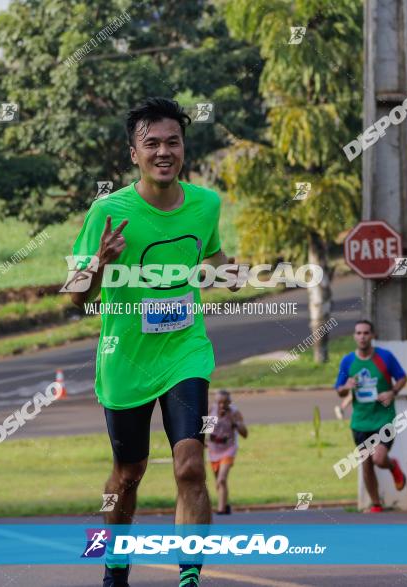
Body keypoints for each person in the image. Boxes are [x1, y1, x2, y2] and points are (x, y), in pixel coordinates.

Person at [68, 97, 240, 587]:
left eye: (172, 142)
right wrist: (100, 262)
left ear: (183, 147)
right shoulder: (108, 211)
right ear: (133, 153)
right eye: (152, 144)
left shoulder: (206, 203)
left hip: (186, 350)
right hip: (126, 359)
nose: (163, 151)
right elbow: (78, 300)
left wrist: (228, 270)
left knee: (189, 464)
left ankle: (189, 577)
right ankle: (115, 561)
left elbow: (210, 251)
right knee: (129, 472)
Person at [334, 319, 407, 513]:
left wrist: (392, 392)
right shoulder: (348, 361)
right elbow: (339, 390)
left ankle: (393, 466)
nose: (362, 337)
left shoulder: (385, 357)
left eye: (366, 333)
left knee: (378, 458)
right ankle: (376, 505)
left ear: (373, 336)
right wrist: (346, 387)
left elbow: (402, 377)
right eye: (358, 333)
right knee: (366, 464)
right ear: (354, 336)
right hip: (360, 421)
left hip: (384, 418)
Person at [206, 390, 248, 515]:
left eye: (225, 403)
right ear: (216, 402)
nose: (222, 406)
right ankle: (225, 505)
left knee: (221, 479)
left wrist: (235, 423)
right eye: (219, 402)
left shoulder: (234, 413)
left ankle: (221, 510)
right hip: (213, 449)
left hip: (229, 448)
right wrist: (203, 442)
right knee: (218, 481)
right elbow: (206, 431)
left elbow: (245, 434)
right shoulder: (211, 411)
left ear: (230, 402)